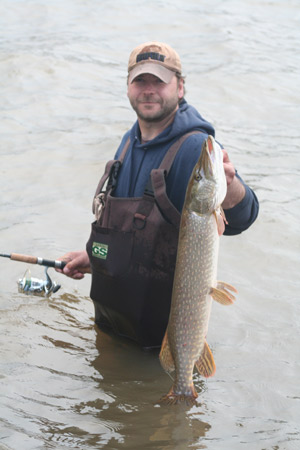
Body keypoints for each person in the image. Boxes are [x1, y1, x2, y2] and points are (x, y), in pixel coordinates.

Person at [57, 42, 259, 349]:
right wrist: (94, 256)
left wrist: (229, 188)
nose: (148, 90)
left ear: (179, 88)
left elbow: (244, 216)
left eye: (159, 81)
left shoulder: (195, 147)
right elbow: (129, 234)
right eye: (140, 80)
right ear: (128, 87)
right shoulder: (128, 142)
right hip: (112, 328)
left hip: (160, 344)